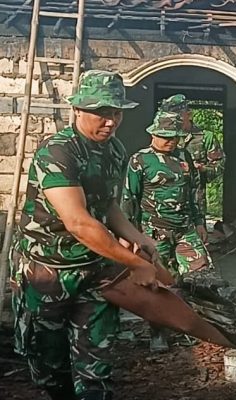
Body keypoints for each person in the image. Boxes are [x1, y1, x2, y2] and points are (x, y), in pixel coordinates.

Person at [9, 70, 162, 400]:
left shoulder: (115, 150)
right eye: (101, 112)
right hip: (48, 272)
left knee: (97, 366)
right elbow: (79, 223)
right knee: (49, 368)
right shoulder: (58, 152)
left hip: (94, 270)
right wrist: (136, 263)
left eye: (116, 112)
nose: (110, 122)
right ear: (77, 110)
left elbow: (108, 206)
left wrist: (140, 238)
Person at [121, 110, 210, 352]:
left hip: (185, 229)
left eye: (174, 137)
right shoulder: (139, 160)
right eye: (165, 136)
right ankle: (158, 333)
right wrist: (129, 236)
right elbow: (129, 199)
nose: (170, 141)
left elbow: (194, 192)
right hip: (154, 232)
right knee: (159, 283)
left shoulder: (184, 158)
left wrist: (200, 222)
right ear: (153, 134)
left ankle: (195, 325)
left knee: (200, 275)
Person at [158, 94, 225, 224]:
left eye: (177, 114)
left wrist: (201, 169)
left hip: (194, 202)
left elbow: (220, 166)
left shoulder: (205, 137)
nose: (173, 119)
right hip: (163, 201)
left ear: (189, 114)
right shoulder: (161, 137)